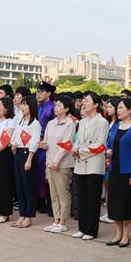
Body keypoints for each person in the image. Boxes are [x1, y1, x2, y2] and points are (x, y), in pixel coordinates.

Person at [72, 92, 110, 240]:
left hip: (94, 164)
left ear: (96, 104)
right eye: (83, 101)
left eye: (87, 101)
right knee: (82, 198)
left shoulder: (102, 122)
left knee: (92, 199)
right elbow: (78, 140)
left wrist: (80, 151)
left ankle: (91, 230)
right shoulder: (82, 122)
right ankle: (82, 228)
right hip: (80, 164)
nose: (84, 103)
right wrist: (75, 147)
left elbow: (100, 145)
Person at [105, 98, 131, 247]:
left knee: (127, 204)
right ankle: (118, 234)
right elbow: (109, 144)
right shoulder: (115, 127)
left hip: (127, 172)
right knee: (115, 204)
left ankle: (126, 236)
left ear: (130, 110)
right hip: (114, 170)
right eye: (118, 108)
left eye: (121, 108)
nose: (118, 110)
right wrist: (108, 151)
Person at [41, 95, 76, 233]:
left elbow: (66, 145)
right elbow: (46, 140)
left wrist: (56, 161)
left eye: (59, 105)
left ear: (66, 109)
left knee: (63, 193)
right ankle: (56, 220)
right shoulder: (51, 123)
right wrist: (43, 144)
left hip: (62, 164)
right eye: (55, 105)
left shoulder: (70, 124)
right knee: (53, 194)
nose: (55, 108)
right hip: (50, 162)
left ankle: (63, 222)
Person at [11, 94, 41, 228]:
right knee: (19, 186)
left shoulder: (35, 124)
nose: (22, 107)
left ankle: (29, 216)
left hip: (28, 154)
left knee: (28, 186)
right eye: (21, 104)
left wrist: (29, 160)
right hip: (18, 153)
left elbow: (34, 142)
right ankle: (22, 215)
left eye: (25, 104)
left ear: (31, 106)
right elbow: (14, 136)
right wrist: (13, 144)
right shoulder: (20, 121)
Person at [35, 81, 56, 214]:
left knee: (46, 174)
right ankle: (40, 200)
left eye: (42, 91)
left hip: (47, 143)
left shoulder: (52, 107)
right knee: (38, 173)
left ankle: (50, 203)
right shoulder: (38, 106)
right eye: (38, 91)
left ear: (49, 93)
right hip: (37, 142)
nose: (39, 94)